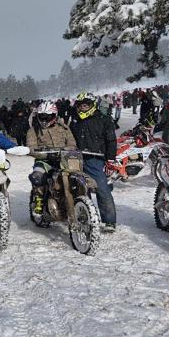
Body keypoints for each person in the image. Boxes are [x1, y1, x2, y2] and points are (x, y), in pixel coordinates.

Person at [69, 92, 118, 232]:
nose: (83, 107)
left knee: (102, 188)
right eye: (80, 105)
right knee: (77, 188)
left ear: (92, 105)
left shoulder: (104, 119)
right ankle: (84, 216)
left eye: (86, 104)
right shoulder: (75, 120)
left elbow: (111, 140)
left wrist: (110, 159)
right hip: (75, 158)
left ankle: (109, 221)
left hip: (95, 158)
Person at [26, 100, 77, 227]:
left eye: (47, 117)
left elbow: (72, 144)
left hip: (63, 159)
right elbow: (30, 148)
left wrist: (67, 150)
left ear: (54, 116)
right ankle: (38, 203)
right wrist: (44, 154)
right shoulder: (33, 130)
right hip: (44, 161)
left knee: (76, 176)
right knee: (37, 176)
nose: (44, 119)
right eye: (41, 116)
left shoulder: (64, 128)